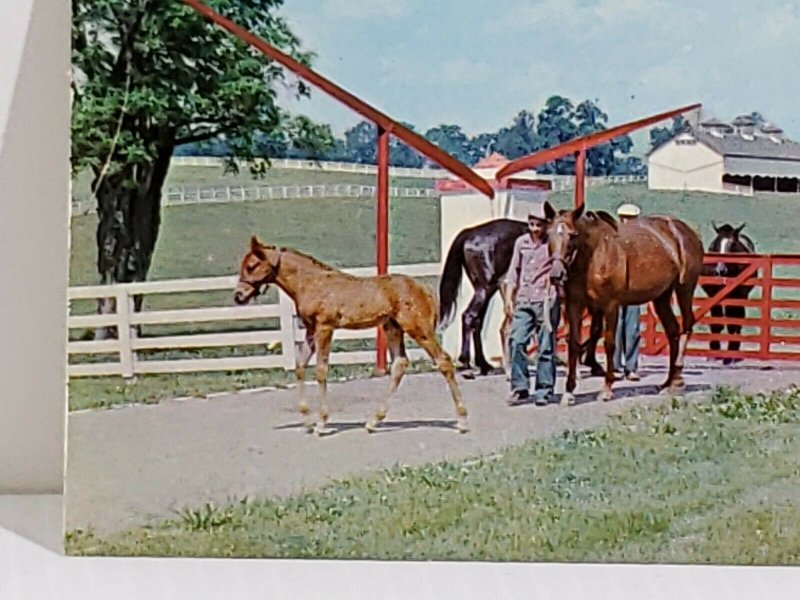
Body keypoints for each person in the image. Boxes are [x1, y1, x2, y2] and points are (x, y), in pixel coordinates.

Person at [504, 203, 560, 406]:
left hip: (545, 299)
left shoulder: (552, 243)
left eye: (539, 225)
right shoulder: (521, 243)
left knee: (545, 346)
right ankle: (520, 386)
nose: (535, 229)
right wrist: (509, 298)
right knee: (517, 341)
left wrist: (553, 283)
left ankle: (544, 389)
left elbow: (560, 267)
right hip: (524, 299)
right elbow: (513, 271)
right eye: (531, 224)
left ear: (546, 226)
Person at [614, 202, 642, 382]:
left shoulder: (640, 242)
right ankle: (615, 366)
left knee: (632, 329)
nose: (627, 222)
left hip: (633, 289)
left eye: (631, 219)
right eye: (625, 218)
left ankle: (631, 366)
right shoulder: (613, 238)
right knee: (615, 327)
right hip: (616, 289)